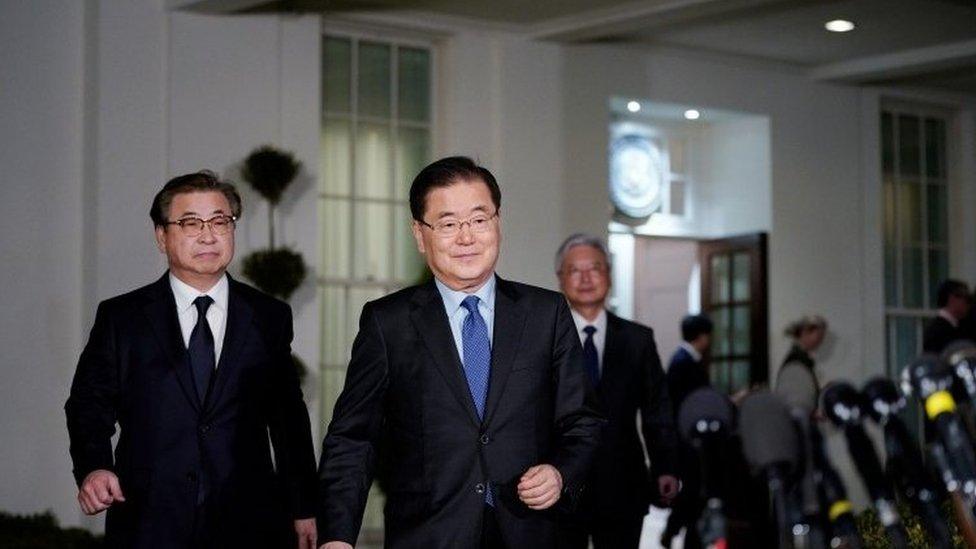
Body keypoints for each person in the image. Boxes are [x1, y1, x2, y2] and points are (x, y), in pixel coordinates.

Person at [316, 157, 605, 549]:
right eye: (449, 224)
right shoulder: (389, 323)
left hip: (532, 532)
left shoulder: (546, 314)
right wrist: (337, 536)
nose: (466, 238)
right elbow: (353, 439)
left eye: (479, 220)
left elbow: (582, 422)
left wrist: (560, 473)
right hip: (429, 535)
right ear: (420, 235)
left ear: (498, 223)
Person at [65, 171, 318, 549]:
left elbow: (288, 419)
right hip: (150, 520)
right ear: (161, 236)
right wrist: (95, 466)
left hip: (248, 521)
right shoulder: (124, 318)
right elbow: (89, 404)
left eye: (220, 221)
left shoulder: (268, 316)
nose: (207, 235)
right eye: (189, 223)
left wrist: (304, 505)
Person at [553, 233, 679, 549]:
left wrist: (665, 467)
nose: (585, 278)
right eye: (574, 270)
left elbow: (657, 409)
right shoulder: (546, 337)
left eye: (594, 268)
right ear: (560, 279)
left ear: (608, 275)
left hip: (624, 482)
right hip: (562, 484)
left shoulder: (638, 340)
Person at [660, 314, 713, 549]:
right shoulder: (684, 363)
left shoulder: (682, 360)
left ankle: (675, 531)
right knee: (693, 490)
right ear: (702, 336)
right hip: (687, 439)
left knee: (691, 490)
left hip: (684, 439)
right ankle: (686, 537)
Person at [777, 315, 828, 395]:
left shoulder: (799, 357)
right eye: (819, 336)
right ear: (805, 332)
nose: (820, 341)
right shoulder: (797, 360)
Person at [923, 279, 971, 353]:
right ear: (952, 299)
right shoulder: (938, 330)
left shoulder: (954, 326)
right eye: (966, 299)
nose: (968, 304)